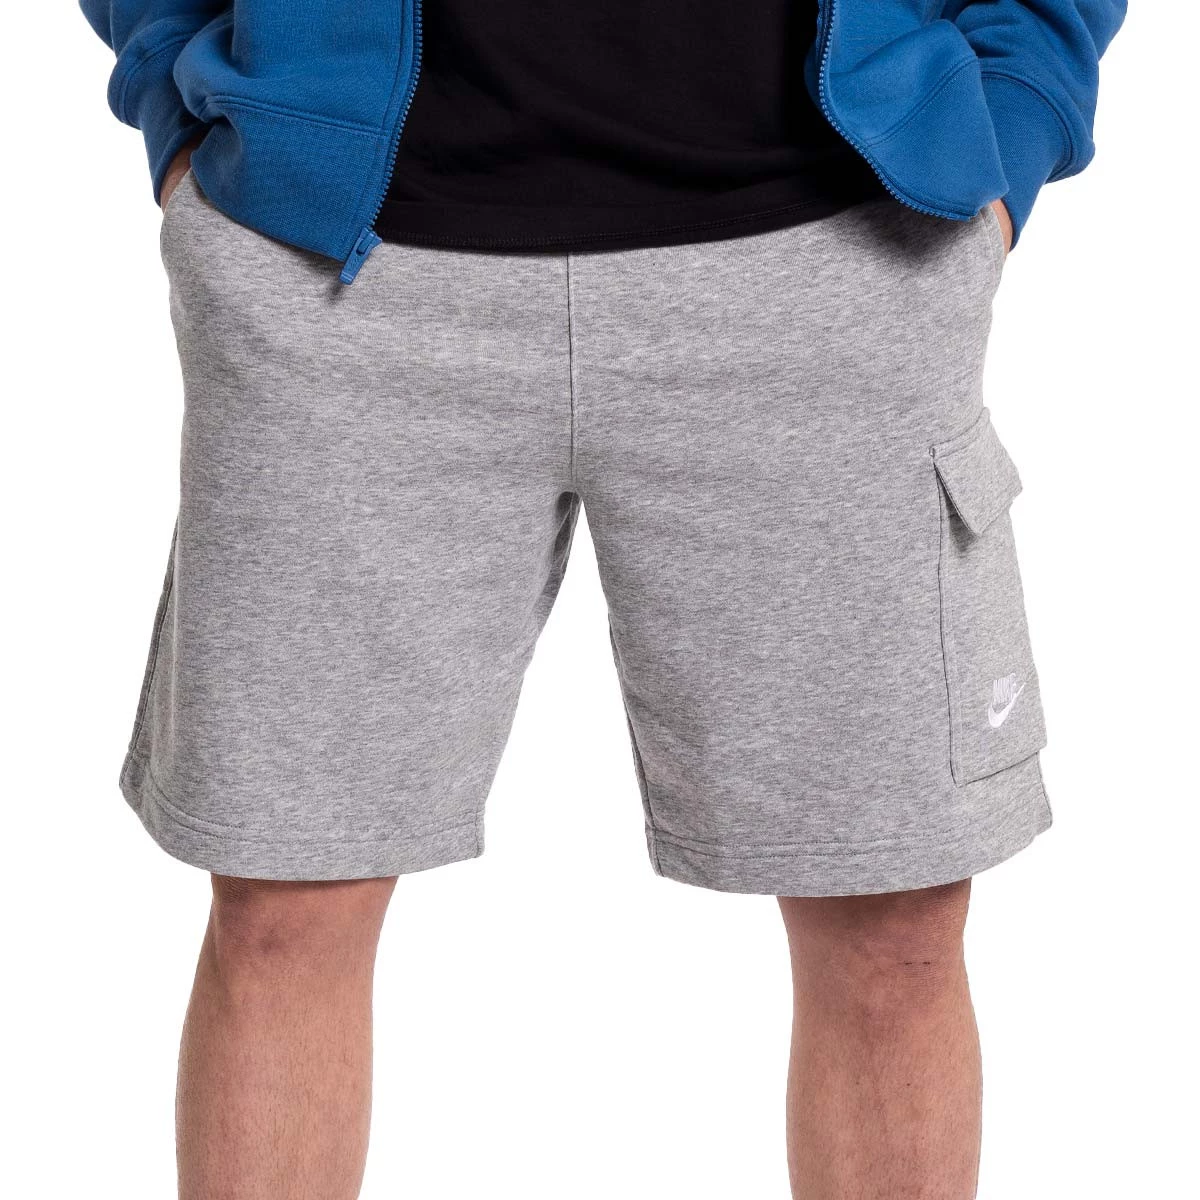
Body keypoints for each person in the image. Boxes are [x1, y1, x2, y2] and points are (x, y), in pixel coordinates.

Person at [80, 1, 1125, 1196]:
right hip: (339, 271)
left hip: (835, 254)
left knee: (890, 918)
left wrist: (1017, 118)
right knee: (283, 899)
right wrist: (173, 98)